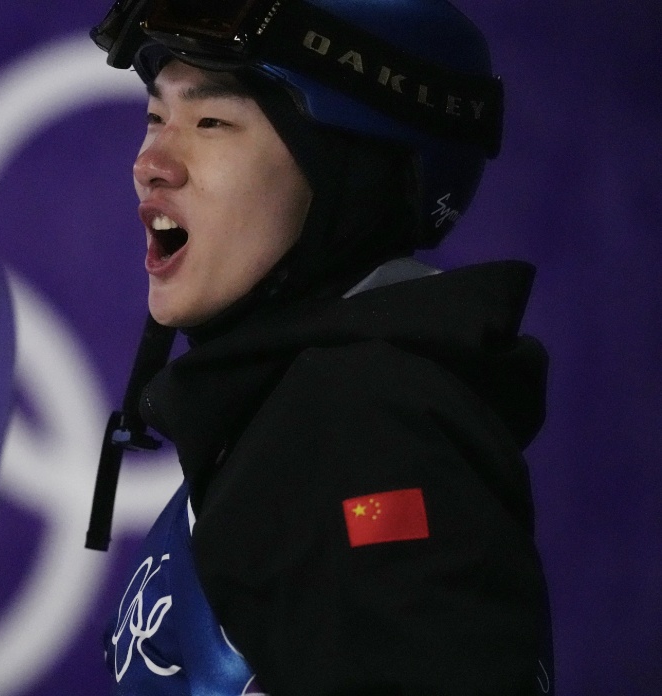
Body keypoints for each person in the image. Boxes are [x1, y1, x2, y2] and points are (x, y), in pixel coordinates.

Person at [85, 0, 555, 694]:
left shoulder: (362, 425)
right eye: (156, 116)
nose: (150, 163)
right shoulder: (285, 417)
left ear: (346, 174)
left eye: (213, 122)